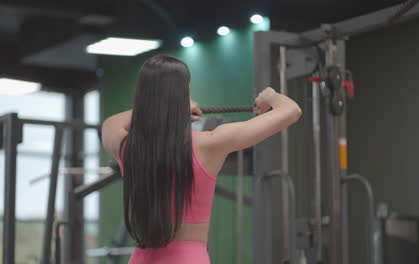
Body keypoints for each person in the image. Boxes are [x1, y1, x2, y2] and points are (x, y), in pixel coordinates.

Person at [101, 55, 302, 264]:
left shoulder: (128, 148)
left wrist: (162, 108)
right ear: (184, 92)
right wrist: (270, 95)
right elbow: (292, 110)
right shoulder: (209, 143)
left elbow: (110, 123)